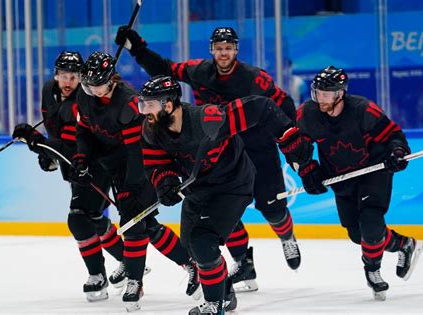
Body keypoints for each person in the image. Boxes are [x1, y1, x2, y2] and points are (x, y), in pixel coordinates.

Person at [116, 25, 301, 292]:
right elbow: (165, 71)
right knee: (219, 208)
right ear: (212, 50)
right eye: (219, 48)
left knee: (272, 207)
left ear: (236, 50)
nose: (223, 53)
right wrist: (139, 50)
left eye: (228, 48)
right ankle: (242, 262)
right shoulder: (198, 70)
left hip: (256, 147)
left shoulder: (255, 78)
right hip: (216, 147)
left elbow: (280, 103)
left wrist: (290, 138)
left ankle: (287, 236)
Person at [138, 76, 313, 314]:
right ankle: (226, 294)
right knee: (193, 249)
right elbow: (156, 164)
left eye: (150, 105)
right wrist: (165, 182)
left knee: (203, 241)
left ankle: (214, 305)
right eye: (143, 104)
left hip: (232, 186)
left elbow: (260, 107)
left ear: (168, 105)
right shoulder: (152, 130)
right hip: (198, 191)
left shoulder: (208, 119)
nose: (144, 111)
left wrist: (289, 139)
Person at [72, 51, 200, 311]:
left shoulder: (129, 103)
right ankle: (187, 264)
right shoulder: (84, 95)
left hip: (140, 163)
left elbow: (136, 151)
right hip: (110, 163)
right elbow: (84, 130)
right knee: (145, 225)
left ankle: (134, 280)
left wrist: (131, 188)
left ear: (111, 81)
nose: (93, 90)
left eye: (97, 85)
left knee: (134, 223)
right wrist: (81, 159)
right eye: (89, 84)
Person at [294, 65, 423, 301]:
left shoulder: (364, 110)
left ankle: (372, 271)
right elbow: (298, 148)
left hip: (373, 171)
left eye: (326, 94)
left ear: (340, 93)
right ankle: (404, 244)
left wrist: (397, 152)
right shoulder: (308, 114)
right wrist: (307, 170)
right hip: (341, 176)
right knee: (357, 235)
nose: (320, 99)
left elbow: (394, 136)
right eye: (317, 93)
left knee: (371, 222)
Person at [11, 51, 128, 302]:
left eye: (74, 76)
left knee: (78, 217)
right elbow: (54, 127)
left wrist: (38, 143)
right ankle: (128, 258)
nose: (68, 81)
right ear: (55, 75)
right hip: (72, 162)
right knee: (93, 218)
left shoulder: (86, 98)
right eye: (64, 75)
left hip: (94, 162)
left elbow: (78, 142)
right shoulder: (48, 90)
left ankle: (97, 276)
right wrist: (46, 153)